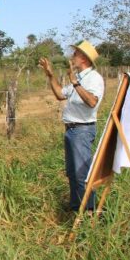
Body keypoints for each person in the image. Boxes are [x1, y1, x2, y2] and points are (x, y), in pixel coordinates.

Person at [39, 41, 105, 213]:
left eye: (75, 54)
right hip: (71, 131)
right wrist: (50, 75)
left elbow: (92, 102)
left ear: (84, 58)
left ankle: (89, 211)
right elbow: (61, 94)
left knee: (82, 174)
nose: (72, 57)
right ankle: (77, 210)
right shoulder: (81, 77)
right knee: (72, 173)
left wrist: (75, 83)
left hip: (82, 131)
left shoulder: (93, 78)